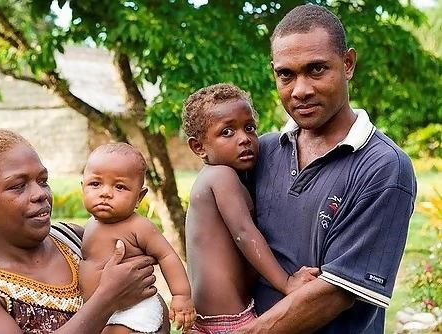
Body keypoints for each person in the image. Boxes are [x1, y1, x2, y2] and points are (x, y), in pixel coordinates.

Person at [235, 4, 417, 333]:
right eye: (286, 75)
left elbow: (334, 294)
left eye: (316, 70)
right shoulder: (263, 151)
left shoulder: (383, 167)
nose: (300, 90)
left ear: (347, 64)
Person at [0, 129, 170, 334]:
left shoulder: (77, 240)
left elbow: (152, 309)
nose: (40, 194)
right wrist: (107, 298)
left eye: (42, 181)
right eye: (18, 186)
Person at [182, 83, 319, 333]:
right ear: (199, 147)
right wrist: (287, 283)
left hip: (206, 319)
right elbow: (244, 233)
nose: (244, 139)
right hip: (229, 322)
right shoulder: (221, 176)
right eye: (227, 132)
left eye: (249, 128)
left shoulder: (222, 177)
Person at [79, 143, 196, 333]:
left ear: (139, 197)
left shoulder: (138, 226)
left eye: (119, 187)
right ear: (83, 187)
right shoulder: (91, 224)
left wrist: (181, 296)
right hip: (102, 310)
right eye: (95, 184)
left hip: (134, 309)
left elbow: (167, 256)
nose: (105, 193)